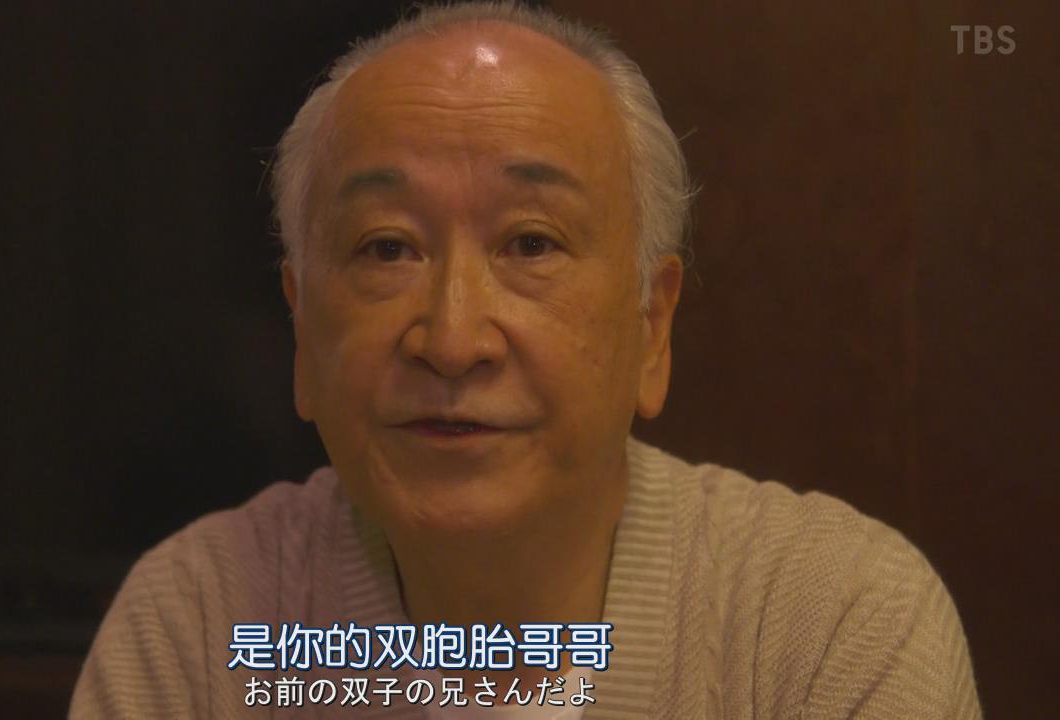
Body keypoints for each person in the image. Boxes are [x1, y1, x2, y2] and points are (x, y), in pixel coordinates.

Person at [69, 2, 981, 718]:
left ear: (652, 326)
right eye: (387, 248)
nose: (452, 339)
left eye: (531, 243)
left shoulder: (828, 624)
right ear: (302, 329)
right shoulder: (203, 625)